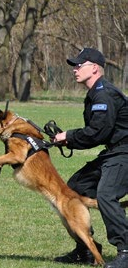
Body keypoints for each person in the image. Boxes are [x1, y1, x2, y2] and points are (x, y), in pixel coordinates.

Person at [52, 47, 128, 267]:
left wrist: (70, 136)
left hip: (124, 152)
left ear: (94, 68)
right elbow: (98, 132)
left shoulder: (104, 93)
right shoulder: (95, 93)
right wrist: (69, 139)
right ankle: (85, 250)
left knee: (106, 195)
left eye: (79, 65)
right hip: (114, 150)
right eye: (74, 65)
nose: (75, 69)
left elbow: (98, 132)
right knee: (73, 189)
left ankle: (125, 250)